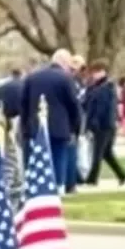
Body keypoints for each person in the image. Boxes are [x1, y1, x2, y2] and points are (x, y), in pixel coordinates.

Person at [19, 49, 82, 194]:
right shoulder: (65, 79)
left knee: (38, 160)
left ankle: (37, 189)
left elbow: (24, 104)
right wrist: (75, 128)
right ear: (64, 62)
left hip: (36, 128)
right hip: (60, 128)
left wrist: (25, 128)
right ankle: (58, 187)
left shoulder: (32, 77)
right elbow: (73, 104)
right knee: (59, 158)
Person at [84, 60, 125, 185]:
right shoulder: (96, 87)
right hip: (103, 124)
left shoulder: (106, 87)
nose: (94, 75)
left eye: (97, 72)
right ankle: (122, 174)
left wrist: (95, 123)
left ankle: (92, 178)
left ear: (103, 72)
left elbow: (103, 108)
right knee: (106, 153)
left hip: (104, 125)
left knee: (98, 152)